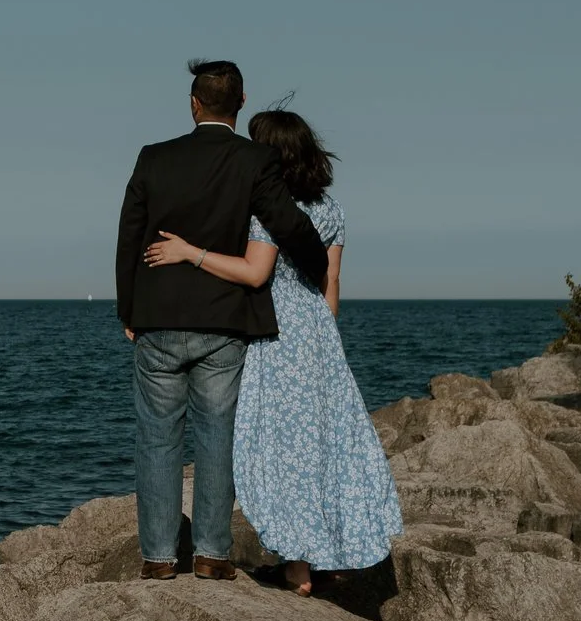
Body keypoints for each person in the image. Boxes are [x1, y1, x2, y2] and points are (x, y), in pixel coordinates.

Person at [142, 109, 401, 594]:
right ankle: (336, 555)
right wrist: (323, 339)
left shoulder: (268, 211)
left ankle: (298, 569)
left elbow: (255, 274)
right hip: (320, 334)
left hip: (275, 331)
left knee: (279, 451)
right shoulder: (331, 208)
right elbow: (332, 281)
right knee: (327, 446)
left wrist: (189, 253)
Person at [114, 63, 329, 580]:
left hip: (159, 318)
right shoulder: (254, 160)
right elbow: (288, 224)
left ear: (193, 102)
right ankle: (211, 553)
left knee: (157, 438)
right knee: (217, 437)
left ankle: (159, 560)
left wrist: (129, 309)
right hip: (224, 321)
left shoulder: (153, 158)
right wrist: (319, 269)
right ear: (241, 102)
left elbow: (129, 236)